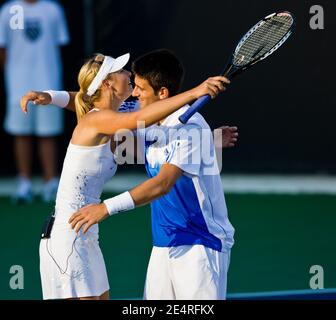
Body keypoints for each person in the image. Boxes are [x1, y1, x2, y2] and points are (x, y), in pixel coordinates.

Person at [21, 52, 229, 300]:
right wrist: (196, 92)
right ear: (107, 83)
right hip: (73, 232)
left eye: (141, 87)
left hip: (195, 243)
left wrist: (206, 140)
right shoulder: (114, 117)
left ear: (161, 93)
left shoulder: (184, 124)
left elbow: (162, 182)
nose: (133, 88)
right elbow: (123, 113)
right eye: (122, 72)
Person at [0, 0, 69, 202]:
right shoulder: (8, 11)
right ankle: (24, 184)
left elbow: (58, 46)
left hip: (48, 84)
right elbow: (3, 49)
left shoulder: (53, 10)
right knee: (21, 134)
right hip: (18, 86)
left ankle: (50, 183)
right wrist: (13, 75)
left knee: (48, 134)